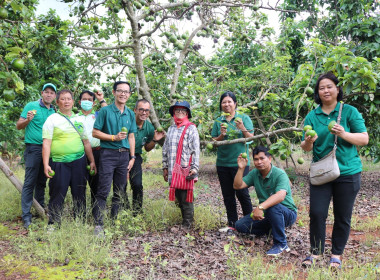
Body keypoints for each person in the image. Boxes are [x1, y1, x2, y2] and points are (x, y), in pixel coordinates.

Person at [300, 72, 368, 269]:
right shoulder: (312, 116)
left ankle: (336, 254)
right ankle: (316, 252)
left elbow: (364, 139)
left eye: (329, 86)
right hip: (322, 172)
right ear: (318, 93)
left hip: (348, 171)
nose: (325, 90)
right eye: (321, 88)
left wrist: (344, 133)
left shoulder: (349, 112)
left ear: (337, 89)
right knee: (317, 213)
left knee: (342, 215)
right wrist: (308, 141)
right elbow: (305, 148)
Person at [42, 89, 96, 228]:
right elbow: (46, 143)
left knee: (79, 192)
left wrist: (92, 161)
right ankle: (53, 224)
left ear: (73, 102)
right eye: (63, 99)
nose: (66, 101)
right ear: (57, 102)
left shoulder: (79, 119)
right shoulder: (52, 119)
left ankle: (80, 221)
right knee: (57, 193)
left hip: (79, 162)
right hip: (59, 163)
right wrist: (46, 164)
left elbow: (86, 142)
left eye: (68, 99)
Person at [233, 146, 297, 256]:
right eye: (256, 159)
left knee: (273, 206)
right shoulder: (255, 173)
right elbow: (237, 186)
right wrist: (241, 168)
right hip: (267, 213)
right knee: (240, 225)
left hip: (287, 213)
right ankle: (271, 229)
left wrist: (260, 207)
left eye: (262, 158)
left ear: (270, 158)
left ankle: (281, 244)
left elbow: (280, 196)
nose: (259, 162)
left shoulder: (279, 174)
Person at [92, 81, 137, 236]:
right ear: (113, 92)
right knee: (103, 189)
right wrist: (113, 137)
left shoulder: (130, 113)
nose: (123, 94)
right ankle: (98, 224)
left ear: (130, 94)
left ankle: (114, 220)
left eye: (126, 91)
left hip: (124, 155)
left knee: (119, 190)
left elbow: (131, 136)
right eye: (120, 91)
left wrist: (132, 157)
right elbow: (95, 133)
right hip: (108, 154)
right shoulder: (105, 111)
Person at [211, 91, 254, 230]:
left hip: (240, 163)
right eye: (224, 102)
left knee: (242, 193)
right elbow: (214, 142)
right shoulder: (218, 121)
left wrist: (242, 128)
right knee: (228, 195)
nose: (227, 104)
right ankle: (232, 224)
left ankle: (250, 223)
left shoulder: (243, 118)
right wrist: (221, 135)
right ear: (221, 105)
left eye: (229, 101)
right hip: (223, 163)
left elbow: (250, 138)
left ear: (235, 104)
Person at [16, 83, 57, 229]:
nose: (49, 95)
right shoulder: (31, 106)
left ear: (54, 96)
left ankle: (39, 211)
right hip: (34, 148)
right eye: (46, 92)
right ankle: (26, 216)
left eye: (52, 93)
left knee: (42, 182)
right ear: (42, 93)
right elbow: (18, 125)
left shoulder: (54, 111)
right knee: (30, 182)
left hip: (48, 150)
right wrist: (28, 120)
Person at [162, 101, 200, 228]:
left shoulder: (191, 128)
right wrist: (165, 166)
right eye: (177, 111)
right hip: (173, 167)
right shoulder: (171, 129)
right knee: (178, 195)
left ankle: (188, 223)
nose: (179, 113)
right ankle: (184, 219)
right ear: (174, 113)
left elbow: (195, 150)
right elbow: (165, 149)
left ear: (187, 113)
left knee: (185, 196)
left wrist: (194, 168)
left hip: (184, 167)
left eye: (183, 111)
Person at [128, 99, 165, 215]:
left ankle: (137, 212)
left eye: (147, 111)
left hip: (136, 156)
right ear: (135, 110)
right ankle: (123, 208)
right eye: (141, 110)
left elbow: (147, 148)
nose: (144, 113)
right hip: (122, 154)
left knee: (137, 184)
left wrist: (154, 139)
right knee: (121, 184)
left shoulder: (149, 128)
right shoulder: (127, 121)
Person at [75, 90, 107, 208]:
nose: (87, 102)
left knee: (97, 184)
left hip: (98, 152)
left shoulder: (99, 115)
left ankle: (96, 212)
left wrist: (101, 99)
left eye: (90, 100)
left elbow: (109, 112)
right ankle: (81, 212)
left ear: (93, 103)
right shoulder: (75, 117)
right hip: (80, 154)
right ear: (79, 102)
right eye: (84, 99)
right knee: (80, 184)